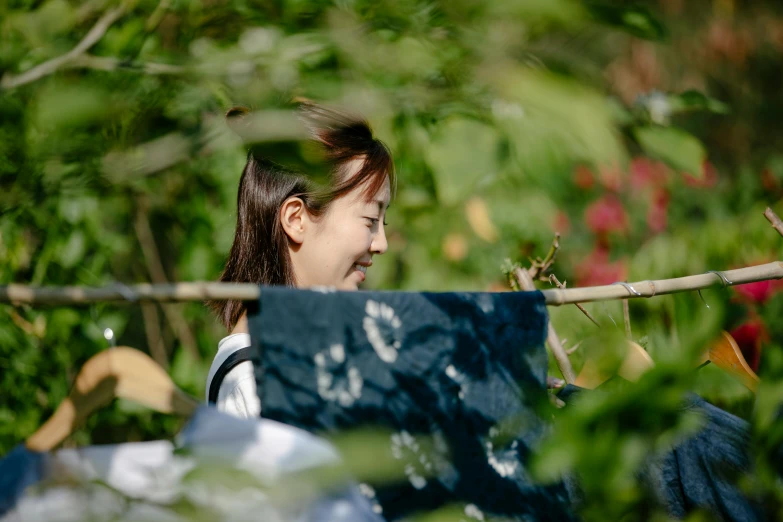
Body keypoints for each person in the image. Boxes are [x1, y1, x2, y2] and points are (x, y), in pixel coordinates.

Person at [206, 102, 396, 418]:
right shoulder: (255, 383)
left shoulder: (303, 359)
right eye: (369, 219)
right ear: (296, 219)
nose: (381, 244)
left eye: (383, 222)